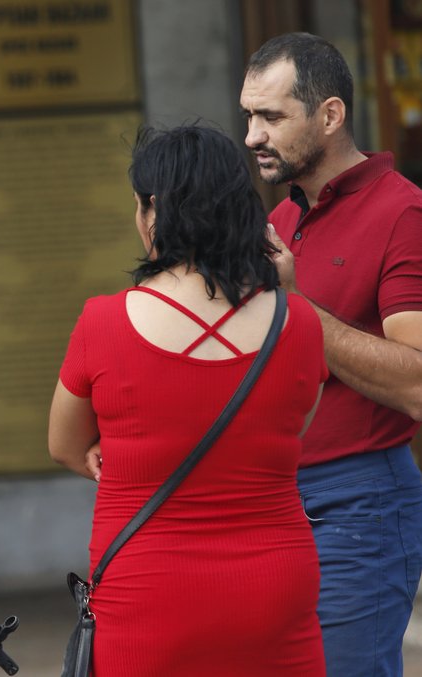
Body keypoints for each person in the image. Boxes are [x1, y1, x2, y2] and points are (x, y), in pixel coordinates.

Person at [48, 124, 328, 675]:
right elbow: (295, 428)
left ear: (154, 210)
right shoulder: (297, 322)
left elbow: (64, 446)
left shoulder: (103, 321)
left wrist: (126, 454)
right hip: (273, 587)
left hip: (148, 587)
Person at [240, 32, 422, 676]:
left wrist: (296, 305)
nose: (252, 136)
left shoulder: (403, 212)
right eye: (248, 116)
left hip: (361, 501)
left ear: (331, 114)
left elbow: (418, 383)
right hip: (275, 498)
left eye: (271, 117)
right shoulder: (284, 220)